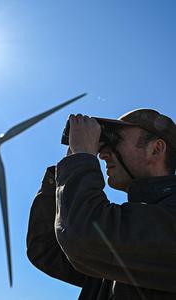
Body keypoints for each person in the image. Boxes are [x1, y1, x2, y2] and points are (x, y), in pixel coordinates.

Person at [27, 109, 176, 299]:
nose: (103, 153)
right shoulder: (121, 243)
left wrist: (80, 160)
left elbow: (82, 238)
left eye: (115, 139)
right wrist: (64, 171)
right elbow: (47, 249)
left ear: (155, 149)